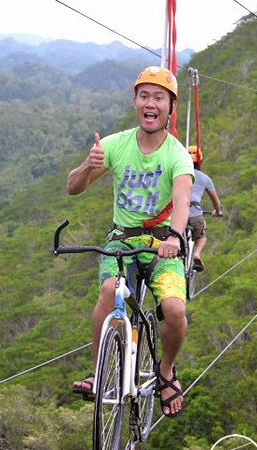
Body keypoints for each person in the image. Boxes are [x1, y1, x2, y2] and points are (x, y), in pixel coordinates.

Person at [67, 66, 194, 418]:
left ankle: (166, 372)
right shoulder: (113, 145)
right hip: (121, 242)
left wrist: (174, 236)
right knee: (110, 290)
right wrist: (88, 167)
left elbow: (182, 201)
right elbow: (73, 187)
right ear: (135, 102)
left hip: (161, 245)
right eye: (144, 96)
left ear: (170, 107)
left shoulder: (176, 154)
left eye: (159, 97)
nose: (150, 103)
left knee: (174, 310)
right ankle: (97, 372)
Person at [187, 145, 223, 272]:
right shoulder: (205, 178)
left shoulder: (179, 174)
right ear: (200, 161)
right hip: (195, 214)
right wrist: (217, 211)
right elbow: (215, 200)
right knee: (201, 236)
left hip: (178, 212)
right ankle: (196, 254)